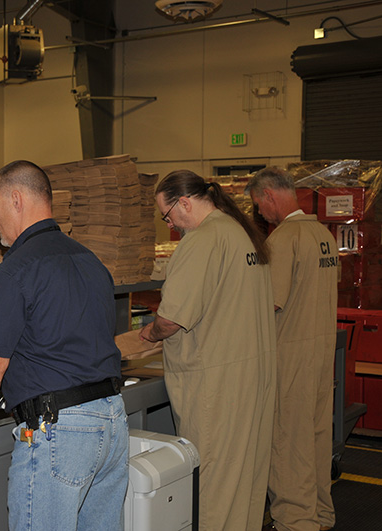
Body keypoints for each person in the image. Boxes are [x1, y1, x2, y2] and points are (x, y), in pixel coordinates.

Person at [0, 160, 129, 530]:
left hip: (59, 430)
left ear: (16, 200)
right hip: (113, 423)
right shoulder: (91, 261)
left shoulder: (15, 271)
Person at [138, 170, 276, 530]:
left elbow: (171, 319)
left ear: (184, 203)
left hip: (219, 386)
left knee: (214, 487)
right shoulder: (241, 232)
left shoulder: (203, 240)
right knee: (245, 480)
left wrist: (148, 335)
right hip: (253, 380)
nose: (170, 224)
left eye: (167, 216)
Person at [248, 167, 338, 531]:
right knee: (316, 438)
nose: (259, 212)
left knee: (287, 442)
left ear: (269, 196)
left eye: (258, 204)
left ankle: (295, 522)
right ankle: (320, 512)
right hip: (321, 352)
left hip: (291, 355)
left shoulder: (283, 240)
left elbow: (269, 302)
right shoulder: (323, 235)